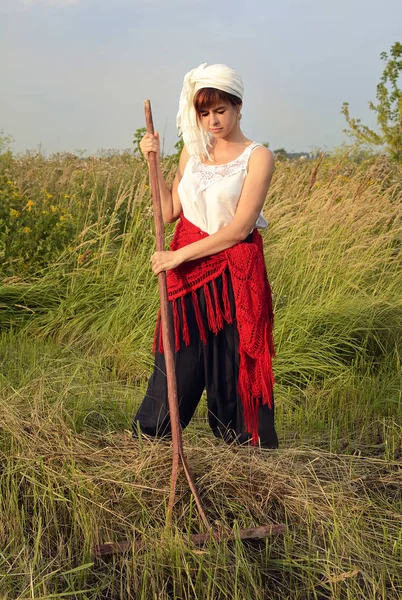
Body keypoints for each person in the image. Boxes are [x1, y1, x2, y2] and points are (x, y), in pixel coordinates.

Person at [132, 62, 278, 449]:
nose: (213, 120)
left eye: (220, 110)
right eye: (204, 113)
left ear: (238, 107)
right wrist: (154, 160)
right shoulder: (192, 152)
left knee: (230, 368)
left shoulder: (257, 157)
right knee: (176, 362)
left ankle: (245, 454)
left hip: (231, 275)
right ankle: (150, 441)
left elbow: (240, 227)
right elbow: (168, 211)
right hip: (186, 276)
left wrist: (178, 257)